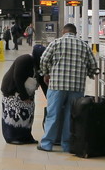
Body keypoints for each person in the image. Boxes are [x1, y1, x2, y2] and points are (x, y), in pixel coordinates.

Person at [36, 23, 97, 153]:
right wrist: (88, 74)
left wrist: (46, 73)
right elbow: (93, 66)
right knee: (72, 116)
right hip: (76, 87)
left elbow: (43, 60)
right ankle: (67, 146)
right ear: (75, 32)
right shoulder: (84, 45)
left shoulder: (56, 43)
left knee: (53, 114)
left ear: (63, 31)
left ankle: (47, 144)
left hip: (57, 85)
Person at [0, 54, 39, 144]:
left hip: (25, 91)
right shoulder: (25, 59)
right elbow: (18, 77)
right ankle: (12, 137)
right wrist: (24, 96)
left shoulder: (37, 65)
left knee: (27, 113)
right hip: (12, 90)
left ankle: (25, 136)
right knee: (14, 114)